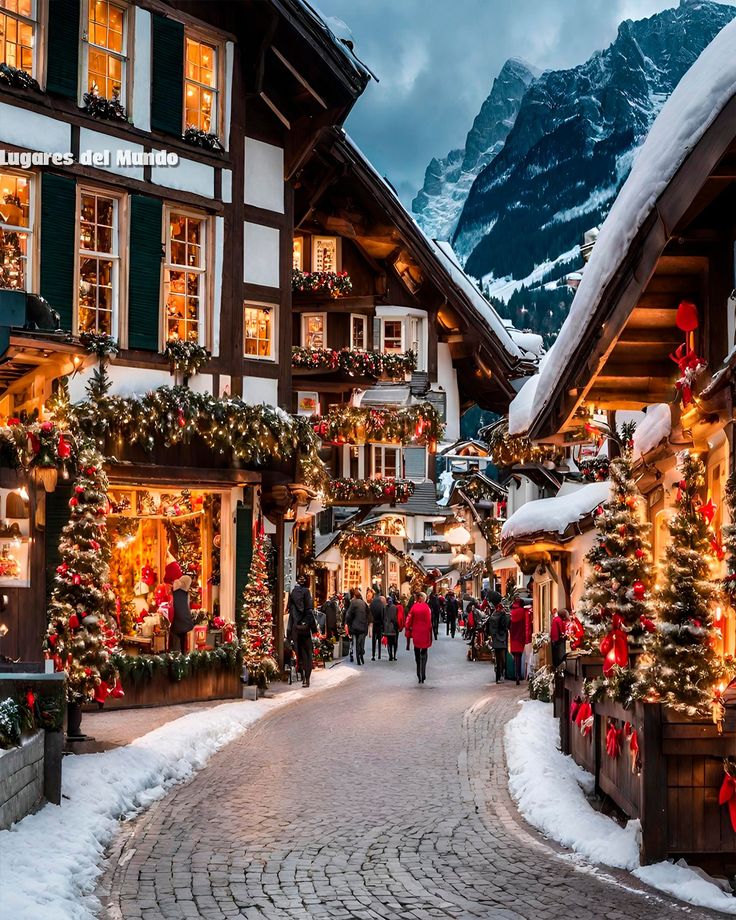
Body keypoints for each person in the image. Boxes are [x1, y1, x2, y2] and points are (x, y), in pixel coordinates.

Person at [287, 575, 317, 687]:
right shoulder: (307, 593)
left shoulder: (292, 594)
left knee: (299, 653)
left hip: (295, 628)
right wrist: (313, 628)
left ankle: (303, 677)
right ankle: (307, 678)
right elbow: (309, 611)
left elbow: (290, 613)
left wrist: (289, 631)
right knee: (308, 654)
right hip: (305, 629)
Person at [167, 561, 194, 653]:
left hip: (178, 621)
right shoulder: (185, 594)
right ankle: (183, 653)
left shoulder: (175, 593)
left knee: (175, 639)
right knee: (183, 638)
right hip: (185, 621)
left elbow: (174, 607)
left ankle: (175, 653)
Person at [405, 591, 433, 684]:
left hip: (416, 632)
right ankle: (423, 672)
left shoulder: (414, 607)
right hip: (425, 632)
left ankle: (418, 673)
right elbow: (429, 621)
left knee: (417, 652)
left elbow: (409, 620)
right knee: (424, 653)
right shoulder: (427, 608)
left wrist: (408, 628)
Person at [346, 588, 370, 665]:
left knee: (356, 640)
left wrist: (347, 623)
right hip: (363, 626)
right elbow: (368, 614)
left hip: (355, 626)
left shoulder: (353, 603)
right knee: (362, 641)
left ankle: (358, 656)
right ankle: (362, 651)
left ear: (354, 596)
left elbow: (349, 614)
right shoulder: (364, 603)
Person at [509, 597, 530, 685]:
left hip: (513, 637)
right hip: (520, 636)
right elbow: (526, 624)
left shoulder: (512, 612)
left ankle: (516, 674)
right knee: (519, 656)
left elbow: (509, 625)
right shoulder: (523, 612)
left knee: (515, 656)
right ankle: (518, 674)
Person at [488, 603, 509, 684]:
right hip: (502, 639)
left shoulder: (492, 617)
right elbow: (505, 626)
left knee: (497, 659)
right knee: (502, 659)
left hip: (495, 639)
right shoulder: (502, 616)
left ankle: (497, 677)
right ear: (501, 609)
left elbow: (490, 629)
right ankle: (499, 676)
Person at [370, 592, 386, 660]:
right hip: (379, 624)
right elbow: (383, 615)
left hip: (374, 623)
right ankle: (379, 655)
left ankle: (373, 655)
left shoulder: (372, 604)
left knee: (374, 640)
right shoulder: (381, 604)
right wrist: (383, 624)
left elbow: (370, 613)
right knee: (379, 640)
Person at [383, 595, 399, 661]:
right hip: (394, 628)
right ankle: (394, 655)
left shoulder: (385, 608)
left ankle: (390, 656)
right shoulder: (395, 607)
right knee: (395, 642)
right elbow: (395, 618)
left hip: (387, 627)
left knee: (389, 642)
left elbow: (384, 617)